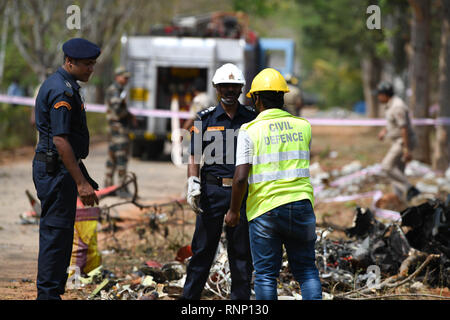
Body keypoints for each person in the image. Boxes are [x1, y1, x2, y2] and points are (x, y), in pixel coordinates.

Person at [225, 68, 322, 300]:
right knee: (307, 271)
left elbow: (240, 178)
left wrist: (233, 211)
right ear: (283, 96)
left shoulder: (249, 130)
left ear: (256, 98)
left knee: (266, 275)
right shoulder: (303, 126)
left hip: (265, 209)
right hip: (301, 206)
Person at [33, 38, 100, 299]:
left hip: (60, 170)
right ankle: (48, 294)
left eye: (93, 64)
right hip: (56, 171)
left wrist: (83, 178)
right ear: (70, 62)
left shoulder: (66, 85)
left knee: (60, 234)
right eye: (87, 64)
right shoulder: (62, 92)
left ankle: (51, 292)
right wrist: (81, 183)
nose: (91, 69)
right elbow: (61, 140)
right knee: (55, 234)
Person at [182, 63, 256, 300]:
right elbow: (193, 153)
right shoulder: (205, 118)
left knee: (242, 255)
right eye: (224, 86)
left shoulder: (252, 119)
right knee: (202, 252)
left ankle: (240, 302)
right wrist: (193, 181)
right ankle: (189, 301)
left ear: (242, 88)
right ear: (216, 87)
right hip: (212, 192)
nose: (229, 90)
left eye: (234, 86)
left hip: (243, 194)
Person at [376, 81, 421, 202]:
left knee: (386, 166)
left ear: (385, 94)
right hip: (399, 140)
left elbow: (404, 128)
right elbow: (394, 123)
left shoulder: (397, 106)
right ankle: (401, 200)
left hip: (403, 141)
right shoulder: (391, 105)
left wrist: (406, 149)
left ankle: (410, 189)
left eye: (379, 94)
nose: (378, 97)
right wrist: (384, 131)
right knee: (398, 171)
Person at [104, 66, 136, 198]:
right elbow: (117, 110)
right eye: (125, 77)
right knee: (121, 158)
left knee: (112, 158)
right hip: (119, 129)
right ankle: (121, 188)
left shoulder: (118, 89)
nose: (127, 80)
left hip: (115, 129)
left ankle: (108, 187)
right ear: (117, 77)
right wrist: (128, 115)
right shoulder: (115, 90)